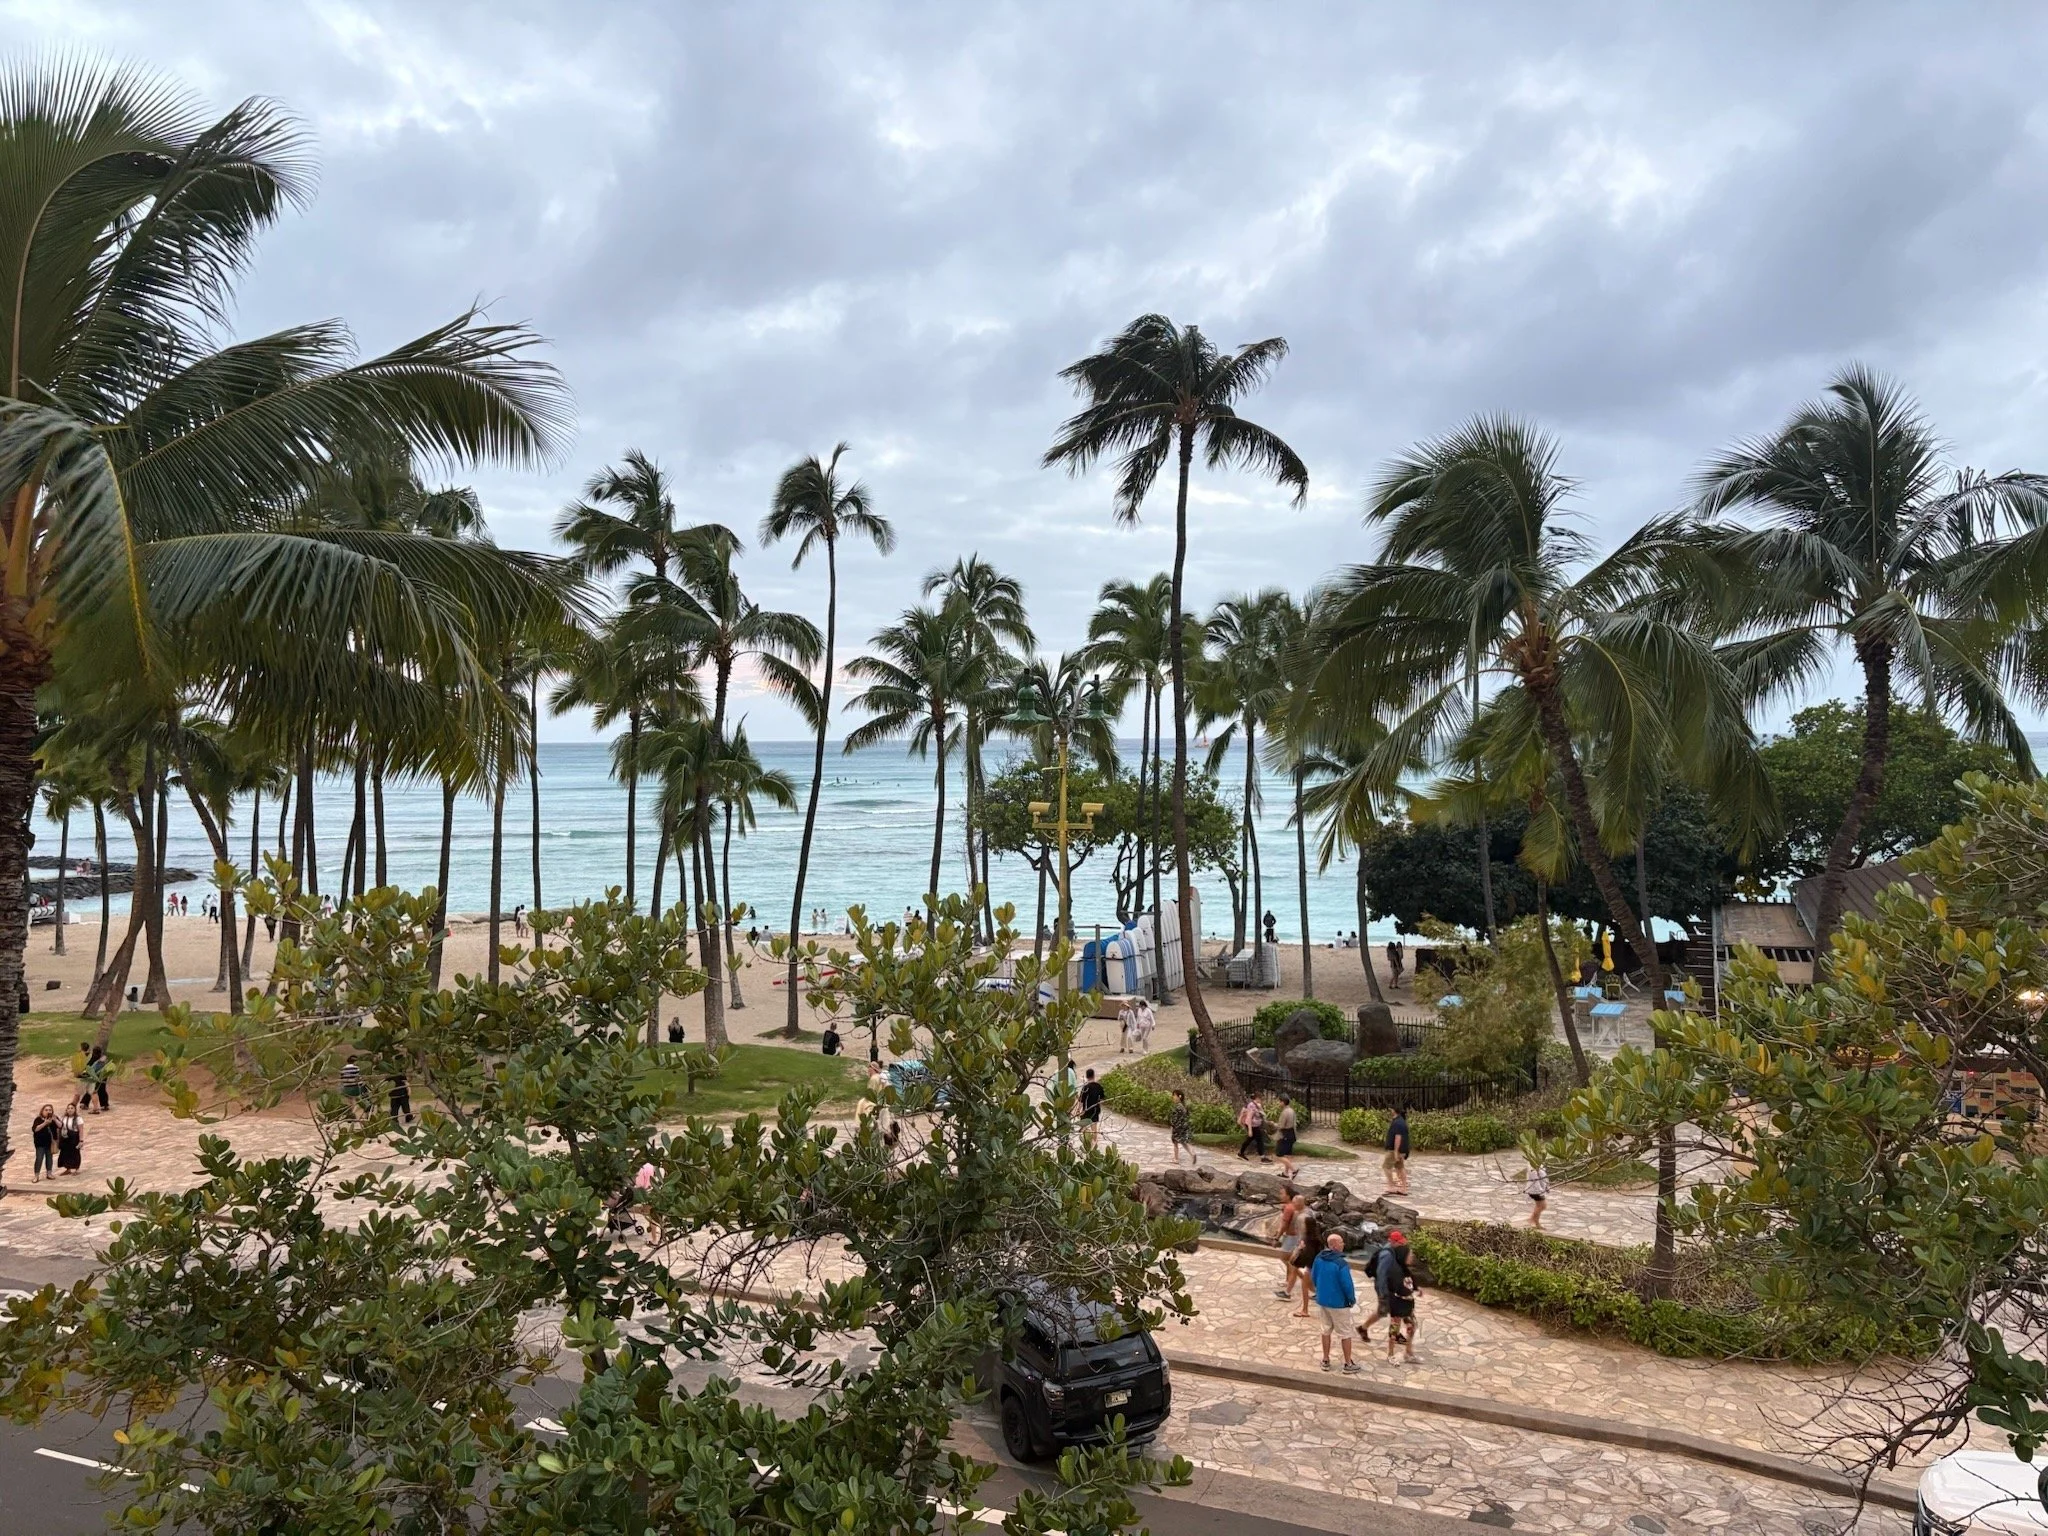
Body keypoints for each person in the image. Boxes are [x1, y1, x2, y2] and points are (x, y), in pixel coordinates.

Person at [1309, 1232, 1360, 1373]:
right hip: (1339, 1303)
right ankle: (1348, 1363)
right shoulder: (1341, 1263)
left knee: (1325, 1330)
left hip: (1323, 1300)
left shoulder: (1319, 1258)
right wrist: (1351, 1299)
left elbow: (1313, 1276)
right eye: (1341, 1242)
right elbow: (1347, 1284)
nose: (1343, 1244)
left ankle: (1325, 1359)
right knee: (1345, 1333)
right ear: (1334, 1245)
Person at [1357, 1229, 1407, 1343]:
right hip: (1386, 1289)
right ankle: (1363, 1328)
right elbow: (1381, 1274)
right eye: (1400, 1242)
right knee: (1384, 1312)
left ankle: (1395, 1333)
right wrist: (1383, 1293)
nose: (1402, 1244)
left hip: (1392, 1287)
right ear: (1393, 1242)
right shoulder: (1387, 1255)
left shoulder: (1393, 1251)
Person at [1382, 1232, 1420, 1363]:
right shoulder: (1395, 1271)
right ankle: (1390, 1354)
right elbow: (1393, 1287)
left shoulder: (1405, 1269)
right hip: (1397, 1305)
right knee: (1394, 1330)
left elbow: (1410, 1282)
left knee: (1412, 1326)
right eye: (1410, 1255)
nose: (1412, 1257)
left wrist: (1416, 1289)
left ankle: (1408, 1352)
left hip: (1407, 1305)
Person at [1271, 1196, 1308, 1301]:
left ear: (1300, 1203)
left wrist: (1302, 1244)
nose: (1293, 1205)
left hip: (1301, 1244)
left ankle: (1311, 1289)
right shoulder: (1298, 1213)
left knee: (1294, 1265)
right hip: (1299, 1243)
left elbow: (1304, 1231)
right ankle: (1288, 1291)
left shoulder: (1304, 1215)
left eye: (1295, 1203)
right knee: (1293, 1265)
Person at [1383, 1102, 1410, 1194]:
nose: (1390, 1111)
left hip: (1395, 1150)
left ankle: (1391, 1186)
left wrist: (1395, 1151)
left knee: (1386, 1167)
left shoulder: (1398, 1123)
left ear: (1394, 1111)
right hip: (1401, 1150)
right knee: (1400, 1167)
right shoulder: (1400, 1121)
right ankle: (1403, 1188)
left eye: (1391, 1109)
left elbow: (1398, 1138)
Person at [1168, 1089, 1196, 1166]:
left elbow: (1174, 1118)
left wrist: (1172, 1125)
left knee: (1175, 1143)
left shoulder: (1177, 1107)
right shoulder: (1184, 1106)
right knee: (1183, 1142)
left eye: (1174, 1095)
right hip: (1184, 1127)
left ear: (1178, 1097)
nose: (1173, 1097)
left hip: (1177, 1127)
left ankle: (1176, 1159)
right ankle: (1192, 1153)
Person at [30, 1103, 57, 1182]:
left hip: (50, 1143)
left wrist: (55, 1120)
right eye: (46, 1110)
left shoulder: (53, 1119)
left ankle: (49, 1173)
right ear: (42, 1111)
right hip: (40, 1143)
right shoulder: (38, 1119)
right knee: (39, 1158)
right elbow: (35, 1129)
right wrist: (45, 1123)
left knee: (49, 1158)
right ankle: (36, 1175)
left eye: (50, 1110)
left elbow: (60, 1125)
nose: (48, 1111)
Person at [1236, 1096, 1268, 1162]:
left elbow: (1262, 1114)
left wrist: (1260, 1108)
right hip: (1252, 1126)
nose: (1262, 1101)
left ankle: (1241, 1153)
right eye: (1261, 1099)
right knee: (1259, 1141)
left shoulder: (1257, 1106)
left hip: (1255, 1125)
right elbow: (1249, 1118)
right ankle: (1262, 1157)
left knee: (1249, 1140)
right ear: (1257, 1098)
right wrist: (1250, 1130)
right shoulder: (1251, 1106)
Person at [56, 1100, 84, 1175]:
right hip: (65, 1138)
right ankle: (68, 1168)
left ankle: (77, 1168)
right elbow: (60, 1127)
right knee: (65, 1153)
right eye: (68, 1108)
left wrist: (81, 1140)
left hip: (74, 1137)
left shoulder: (78, 1119)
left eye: (72, 1108)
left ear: (75, 1110)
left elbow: (81, 1130)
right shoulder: (63, 1118)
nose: (70, 1110)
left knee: (75, 1152)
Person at [1079, 1067, 1105, 1147]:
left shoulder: (1085, 1087)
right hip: (1096, 1110)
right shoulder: (1099, 1086)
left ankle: (1086, 1142)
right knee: (1094, 1128)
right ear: (1094, 1075)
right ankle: (1094, 1143)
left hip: (1086, 1109)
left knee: (1083, 1127)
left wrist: (1079, 1110)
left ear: (1086, 1076)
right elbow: (1102, 1099)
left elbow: (1081, 1101)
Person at [1274, 1094, 1299, 1178]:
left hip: (1285, 1135)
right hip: (1291, 1134)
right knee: (1287, 1155)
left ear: (1283, 1102)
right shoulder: (1292, 1111)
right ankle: (1285, 1173)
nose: (1278, 1103)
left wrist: (1273, 1124)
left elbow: (1281, 1125)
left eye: (1279, 1101)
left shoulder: (1285, 1112)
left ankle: (1293, 1170)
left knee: (1279, 1155)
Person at [1525, 1158, 1550, 1229]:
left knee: (1542, 1206)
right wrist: (1541, 1191)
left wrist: (1546, 1187)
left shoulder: (1538, 1163)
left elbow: (1544, 1176)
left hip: (1539, 1189)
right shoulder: (1532, 1165)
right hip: (1535, 1190)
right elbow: (1535, 1180)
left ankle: (1532, 1219)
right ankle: (1535, 1222)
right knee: (1541, 1205)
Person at [87, 1044, 110, 1112]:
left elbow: (88, 1068)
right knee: (102, 1090)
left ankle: (90, 1106)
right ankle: (104, 1105)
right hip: (103, 1076)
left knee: (92, 1091)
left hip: (95, 1077)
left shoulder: (92, 1059)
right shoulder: (103, 1059)